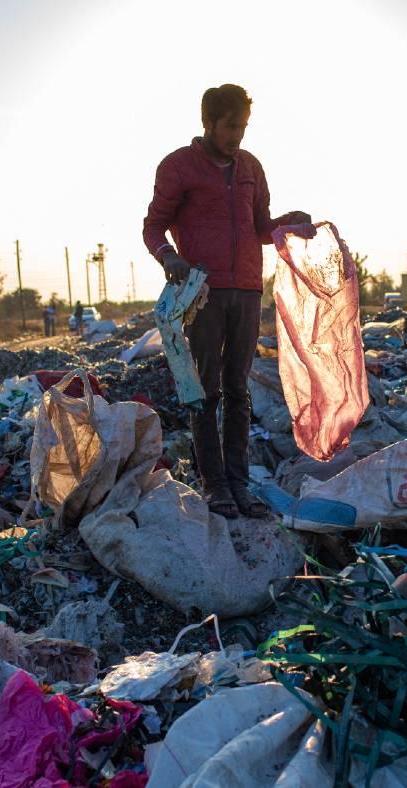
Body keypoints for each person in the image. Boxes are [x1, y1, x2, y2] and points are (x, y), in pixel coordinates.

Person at [142, 83, 310, 519]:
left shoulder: (251, 167)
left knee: (239, 391)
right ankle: (214, 484)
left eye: (243, 126)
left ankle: (239, 482)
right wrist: (169, 257)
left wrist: (287, 223)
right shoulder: (179, 167)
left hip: (249, 290)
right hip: (203, 293)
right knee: (206, 391)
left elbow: (259, 228)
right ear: (208, 123)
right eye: (230, 126)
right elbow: (153, 227)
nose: (238, 135)